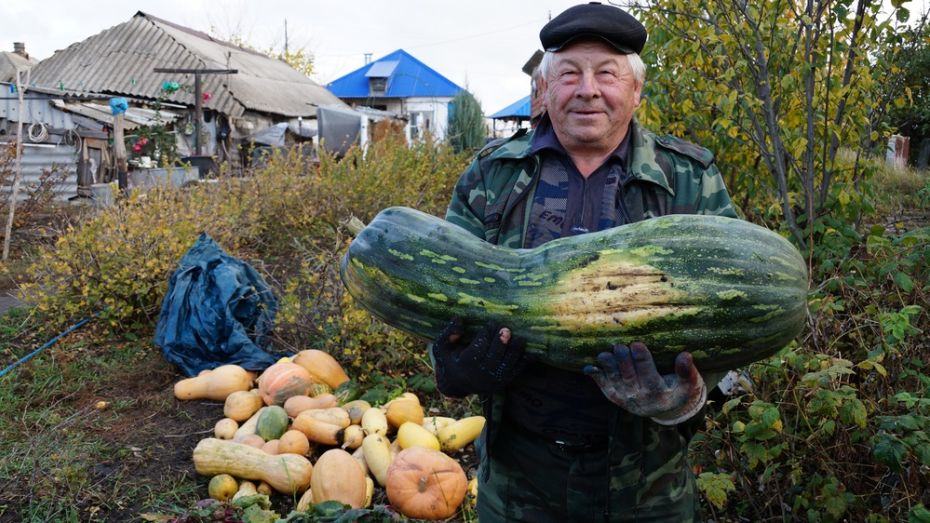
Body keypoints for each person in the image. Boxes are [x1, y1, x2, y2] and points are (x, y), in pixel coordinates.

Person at [431, 3, 738, 522]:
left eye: (607, 74)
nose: (588, 89)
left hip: (648, 490)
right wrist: (453, 367)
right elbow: (438, 293)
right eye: (569, 73)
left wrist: (679, 399)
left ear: (636, 91)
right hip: (518, 483)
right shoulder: (493, 177)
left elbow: (736, 315)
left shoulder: (688, 178)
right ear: (545, 90)